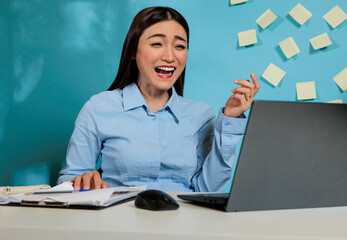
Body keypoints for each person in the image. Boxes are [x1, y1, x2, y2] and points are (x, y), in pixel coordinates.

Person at [57, 6, 260, 192]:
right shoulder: (98, 107)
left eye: (180, 46)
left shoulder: (201, 115)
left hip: (183, 224)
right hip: (119, 223)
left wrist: (230, 120)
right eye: (157, 44)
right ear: (133, 52)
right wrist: (81, 181)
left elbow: (207, 189)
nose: (170, 57)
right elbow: (69, 181)